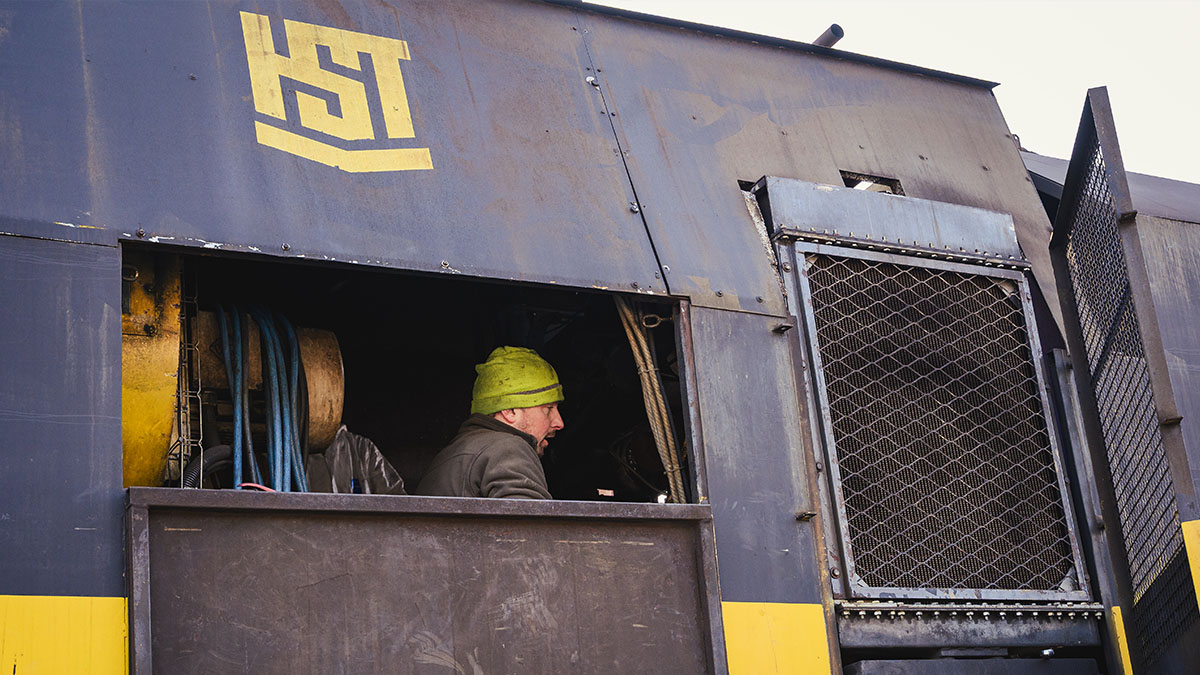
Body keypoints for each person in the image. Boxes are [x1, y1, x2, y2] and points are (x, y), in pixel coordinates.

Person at [415, 346, 565, 499]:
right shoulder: (507, 448)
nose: (559, 423)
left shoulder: (455, 453)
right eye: (548, 408)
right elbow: (526, 522)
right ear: (510, 411)